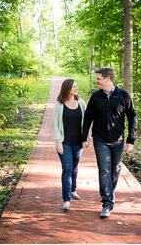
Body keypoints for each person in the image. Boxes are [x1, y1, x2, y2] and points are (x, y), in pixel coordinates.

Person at [82, 67, 137, 219]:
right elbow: (88, 117)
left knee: (115, 169)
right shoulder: (95, 97)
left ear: (108, 79)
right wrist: (84, 135)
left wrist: (131, 139)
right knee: (105, 169)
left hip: (118, 140)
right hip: (100, 140)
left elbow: (132, 117)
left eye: (99, 78)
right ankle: (107, 202)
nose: (96, 81)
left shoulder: (123, 95)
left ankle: (109, 193)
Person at [53, 78, 88, 211]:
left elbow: (85, 123)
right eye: (74, 87)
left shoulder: (81, 103)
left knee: (74, 167)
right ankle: (66, 199)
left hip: (77, 142)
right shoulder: (59, 105)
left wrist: (86, 137)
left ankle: (73, 190)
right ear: (67, 89)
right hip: (64, 142)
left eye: (76, 86)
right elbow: (56, 125)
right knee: (67, 168)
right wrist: (58, 143)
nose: (76, 88)